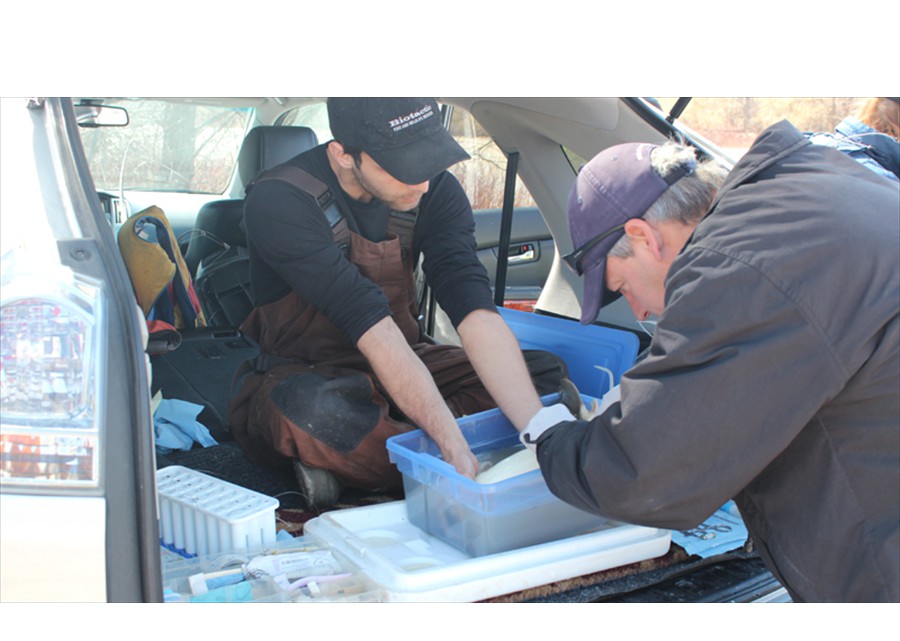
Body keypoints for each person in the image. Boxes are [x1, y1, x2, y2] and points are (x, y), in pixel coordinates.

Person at [520, 121, 900, 602]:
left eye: (622, 287)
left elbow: (648, 469)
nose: (638, 311)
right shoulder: (805, 188)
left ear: (643, 237)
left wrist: (554, 442)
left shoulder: (740, 267)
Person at [228, 97, 563, 508]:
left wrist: (540, 430)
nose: (422, 183)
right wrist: (452, 443)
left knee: (544, 378)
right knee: (309, 411)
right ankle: (451, 454)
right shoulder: (279, 201)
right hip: (311, 373)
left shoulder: (433, 189)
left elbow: (472, 305)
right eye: (403, 167)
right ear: (344, 155)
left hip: (408, 357)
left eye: (428, 162)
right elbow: (368, 319)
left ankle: (378, 463)